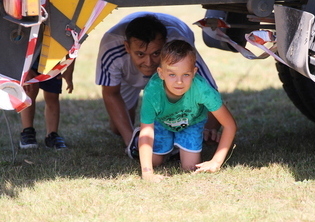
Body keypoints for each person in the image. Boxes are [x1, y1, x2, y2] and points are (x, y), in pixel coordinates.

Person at [95, 12, 221, 159]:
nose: (149, 63)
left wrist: (208, 129)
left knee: (187, 124)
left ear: (165, 44)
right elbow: (111, 93)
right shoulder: (111, 47)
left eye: (156, 53)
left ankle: (176, 136)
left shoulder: (179, 46)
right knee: (118, 128)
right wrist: (132, 142)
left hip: (170, 74)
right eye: (140, 54)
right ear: (127, 47)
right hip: (128, 77)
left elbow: (209, 92)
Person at [138, 40, 237, 182]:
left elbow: (229, 125)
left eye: (185, 75)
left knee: (189, 166)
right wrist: (147, 172)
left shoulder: (203, 90)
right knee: (155, 162)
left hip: (191, 123)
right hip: (162, 122)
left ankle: (180, 145)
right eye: (172, 74)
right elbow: (147, 131)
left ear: (194, 72)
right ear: (161, 73)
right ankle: (144, 139)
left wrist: (216, 162)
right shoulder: (152, 91)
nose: (179, 81)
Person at [19, 58, 74, 149]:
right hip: (29, 60)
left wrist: (69, 70)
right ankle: (27, 131)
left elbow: (73, 46)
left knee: (53, 96)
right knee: (30, 91)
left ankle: (52, 135)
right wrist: (25, 69)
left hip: (52, 61)